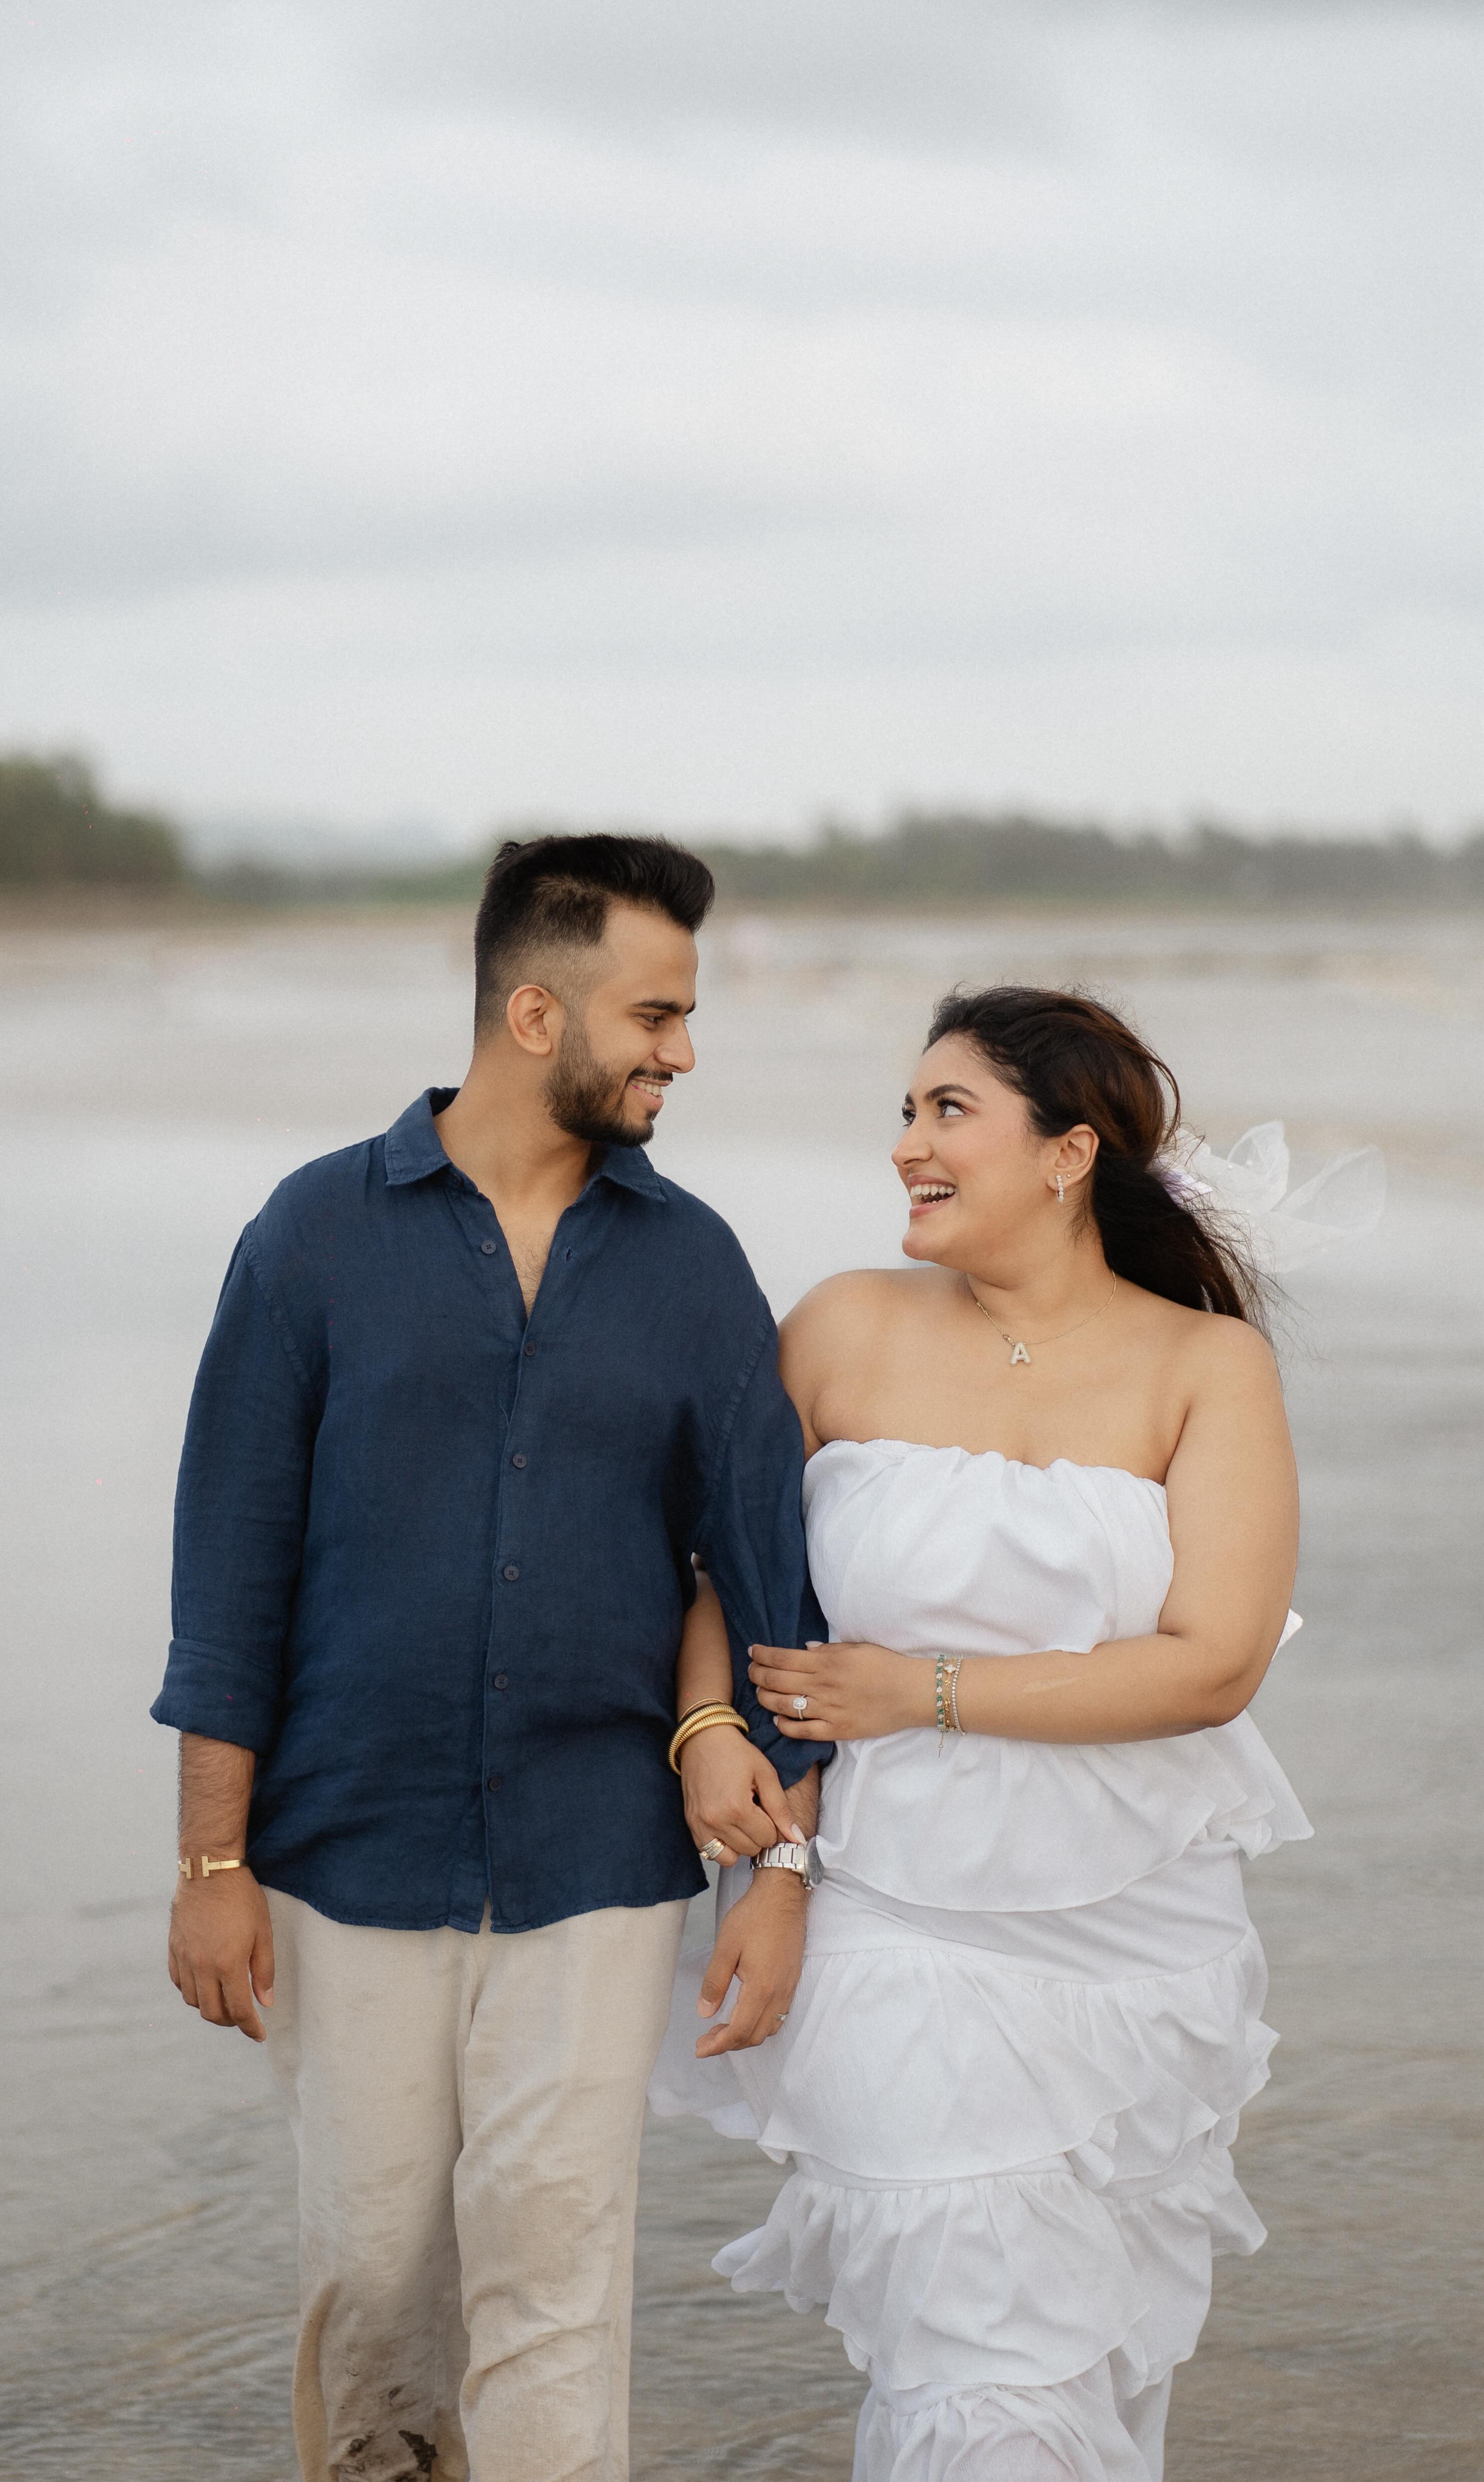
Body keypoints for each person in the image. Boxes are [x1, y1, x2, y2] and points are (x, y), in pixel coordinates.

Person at [153, 833, 826, 2482]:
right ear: (536, 1014)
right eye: (654, 1011)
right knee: (373, 2278)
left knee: (558, 2277)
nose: (682, 1047)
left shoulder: (697, 1268)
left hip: (599, 1864)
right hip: (344, 1853)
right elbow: (228, 1575)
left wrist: (785, 1875)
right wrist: (210, 1858)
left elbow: (769, 1584)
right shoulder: (312, 1237)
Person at [653, 984, 1312, 2482]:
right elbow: (728, 1572)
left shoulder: (1206, 1368)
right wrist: (712, 1735)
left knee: (1085, 2359)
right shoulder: (837, 1327)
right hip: (887, 1906)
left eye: (948, 1110)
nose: (906, 1146)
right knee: (975, 2355)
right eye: (905, 1111)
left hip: (1135, 1933)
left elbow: (1211, 1667)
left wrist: (920, 1688)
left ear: (1070, 1152)